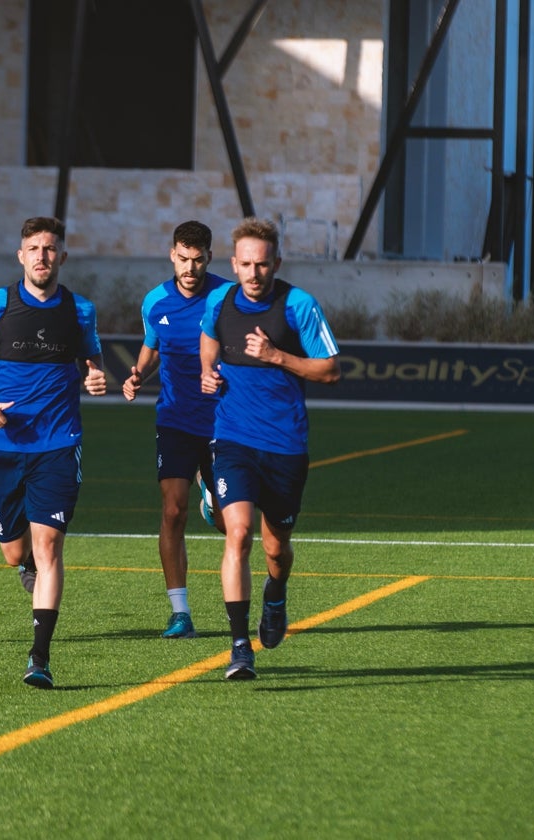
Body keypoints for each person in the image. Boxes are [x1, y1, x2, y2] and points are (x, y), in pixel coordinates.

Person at [0, 216, 106, 689]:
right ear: (21, 256)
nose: (42, 256)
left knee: (49, 546)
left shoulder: (81, 310)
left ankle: (39, 658)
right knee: (15, 551)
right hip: (3, 445)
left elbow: (92, 360)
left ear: (62, 255)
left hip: (59, 444)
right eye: (34, 248)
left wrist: (96, 376)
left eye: (50, 248)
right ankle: (24, 568)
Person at [199, 216, 340, 680]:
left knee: (276, 549)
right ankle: (240, 646)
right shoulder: (220, 300)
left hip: (284, 445)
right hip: (233, 436)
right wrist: (208, 370)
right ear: (233, 264)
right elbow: (209, 337)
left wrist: (277, 356)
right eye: (245, 264)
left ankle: (275, 595)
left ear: (276, 263)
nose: (254, 273)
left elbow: (330, 369)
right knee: (238, 532)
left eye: (262, 265)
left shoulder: (299, 305)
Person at [122, 220, 232, 640]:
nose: (190, 267)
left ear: (209, 257)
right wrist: (137, 375)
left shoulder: (225, 296)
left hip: (224, 421)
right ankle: (180, 613)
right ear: (172, 255)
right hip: (175, 419)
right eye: (183, 259)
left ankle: (213, 499)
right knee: (172, 510)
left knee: (229, 523)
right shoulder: (155, 301)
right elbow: (152, 347)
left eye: (198, 259)